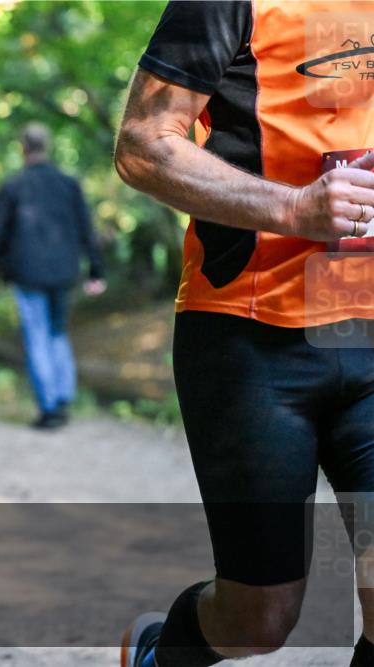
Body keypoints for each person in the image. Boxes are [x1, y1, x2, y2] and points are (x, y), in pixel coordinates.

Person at [114, 2, 373, 666]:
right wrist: (295, 207)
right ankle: (157, 651)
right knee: (258, 618)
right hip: (251, 336)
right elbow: (143, 142)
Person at [0, 122, 106, 430]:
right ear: (46, 146)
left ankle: (50, 408)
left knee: (37, 336)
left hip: (26, 273)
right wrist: (96, 270)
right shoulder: (68, 184)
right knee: (57, 333)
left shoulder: (12, 186)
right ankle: (63, 397)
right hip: (64, 273)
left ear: (22, 147)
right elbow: (86, 230)